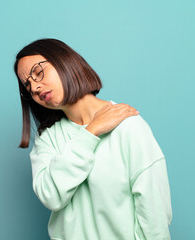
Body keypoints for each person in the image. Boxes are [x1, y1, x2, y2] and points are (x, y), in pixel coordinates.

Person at [13, 38, 173, 240]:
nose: (35, 87)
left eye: (38, 73)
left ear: (65, 61)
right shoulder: (47, 137)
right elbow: (51, 196)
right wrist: (91, 131)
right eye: (28, 85)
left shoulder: (128, 125)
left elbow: (154, 212)